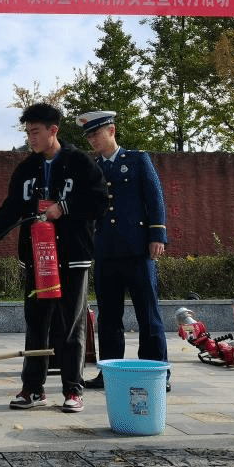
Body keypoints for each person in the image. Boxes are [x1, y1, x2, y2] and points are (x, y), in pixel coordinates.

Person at [0, 103, 109, 413]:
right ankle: (33, 389)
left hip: (72, 257)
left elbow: (99, 200)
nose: (31, 138)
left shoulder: (80, 163)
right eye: (28, 132)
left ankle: (73, 389)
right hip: (37, 258)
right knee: (36, 323)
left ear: (53, 130)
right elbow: (12, 208)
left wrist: (65, 207)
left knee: (71, 324)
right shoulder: (26, 169)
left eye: (36, 132)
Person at [75, 110, 171, 393]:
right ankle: (110, 373)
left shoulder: (137, 160)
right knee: (109, 317)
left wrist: (157, 235)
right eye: (89, 136)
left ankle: (156, 373)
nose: (93, 140)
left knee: (148, 314)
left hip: (138, 250)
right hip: (106, 251)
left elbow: (154, 198)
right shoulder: (91, 168)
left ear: (112, 131)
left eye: (96, 133)